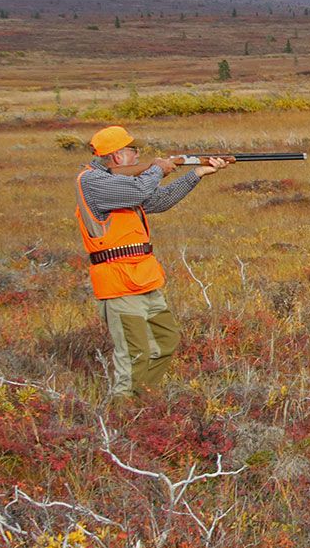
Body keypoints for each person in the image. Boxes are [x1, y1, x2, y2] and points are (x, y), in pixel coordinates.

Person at [74, 126, 234, 396]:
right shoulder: (93, 183)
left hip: (144, 279)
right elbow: (138, 192)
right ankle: (124, 408)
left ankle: (144, 397)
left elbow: (158, 200)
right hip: (119, 284)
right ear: (116, 156)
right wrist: (158, 168)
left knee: (165, 339)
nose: (137, 156)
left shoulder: (119, 185)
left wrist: (197, 172)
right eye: (133, 151)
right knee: (134, 353)